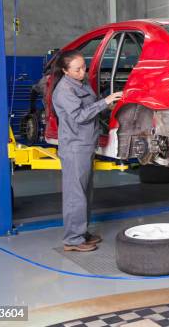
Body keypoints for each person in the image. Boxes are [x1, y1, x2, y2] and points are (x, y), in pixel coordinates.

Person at [50, 50, 122, 252]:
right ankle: (72, 239)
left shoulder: (81, 84)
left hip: (85, 144)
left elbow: (92, 107)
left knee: (85, 192)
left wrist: (109, 105)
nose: (83, 71)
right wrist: (105, 102)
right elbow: (80, 116)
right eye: (77, 69)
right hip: (74, 147)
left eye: (84, 67)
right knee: (76, 195)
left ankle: (81, 232)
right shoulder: (64, 90)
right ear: (65, 71)